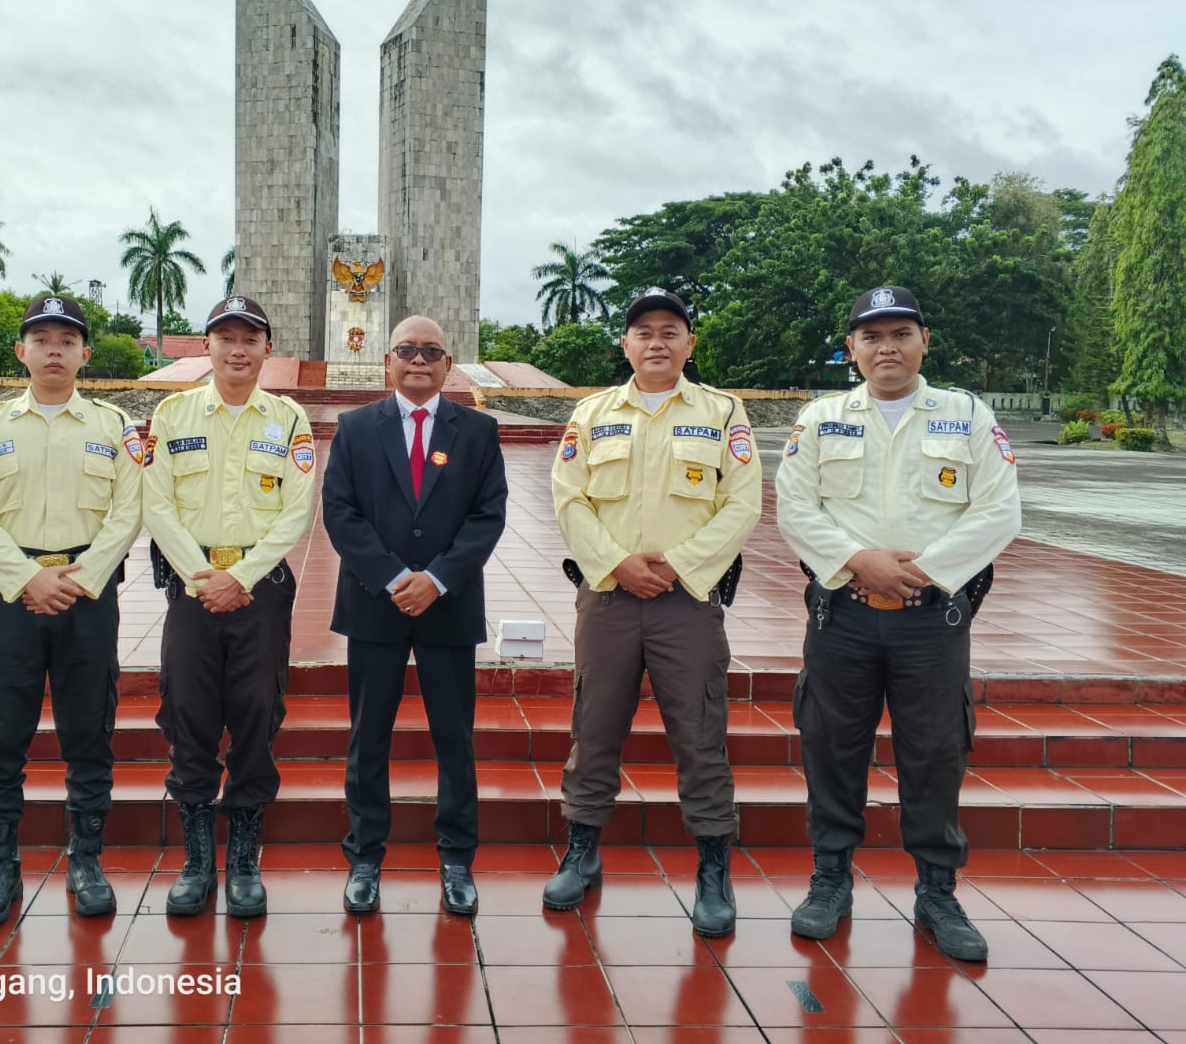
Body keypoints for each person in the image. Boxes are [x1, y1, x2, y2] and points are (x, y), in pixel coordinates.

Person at [774, 285, 1021, 962]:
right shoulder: (822, 418)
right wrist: (858, 561)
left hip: (931, 619)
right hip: (843, 616)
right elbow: (794, 507)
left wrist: (919, 573)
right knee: (831, 745)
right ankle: (830, 880)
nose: (887, 348)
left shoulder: (966, 415)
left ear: (924, 341)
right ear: (851, 348)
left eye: (901, 334)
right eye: (872, 336)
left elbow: (1000, 512)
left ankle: (937, 890)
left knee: (937, 752)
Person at [547, 288, 761, 936]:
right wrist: (617, 564)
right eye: (644, 332)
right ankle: (582, 852)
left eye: (671, 331)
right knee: (595, 728)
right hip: (609, 598)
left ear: (689, 344)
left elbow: (743, 504)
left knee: (700, 736)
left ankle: (713, 869)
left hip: (687, 602)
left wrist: (676, 564)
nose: (657, 342)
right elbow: (568, 498)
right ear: (626, 345)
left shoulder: (724, 412)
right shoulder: (591, 414)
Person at [0, 296, 143, 924]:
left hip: (88, 594)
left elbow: (129, 511)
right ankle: (0, 868)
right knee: (1, 734)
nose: (54, 350)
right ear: (22, 352)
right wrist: (27, 577)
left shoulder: (114, 427)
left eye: (67, 340)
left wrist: (80, 578)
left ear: (86, 354)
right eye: (42, 339)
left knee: (89, 731)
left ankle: (85, 859)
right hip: (13, 596)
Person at [322, 316, 508, 916]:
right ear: (388, 361)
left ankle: (457, 858)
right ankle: (365, 858)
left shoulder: (478, 431)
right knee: (367, 738)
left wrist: (439, 578)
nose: (419, 360)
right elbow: (340, 512)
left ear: (448, 364)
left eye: (431, 351)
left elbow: (488, 515)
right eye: (407, 350)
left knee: (453, 738)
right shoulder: (354, 429)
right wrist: (396, 577)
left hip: (448, 606)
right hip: (376, 605)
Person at [141, 295, 315, 918]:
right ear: (206, 346)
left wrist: (238, 575)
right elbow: (155, 503)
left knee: (255, 710)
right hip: (192, 589)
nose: (238, 350)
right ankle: (195, 857)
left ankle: (242, 853)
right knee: (187, 712)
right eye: (226, 338)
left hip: (259, 589)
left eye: (250, 339)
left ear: (267, 349)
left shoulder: (288, 418)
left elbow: (298, 509)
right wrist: (200, 575)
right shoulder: (173, 414)